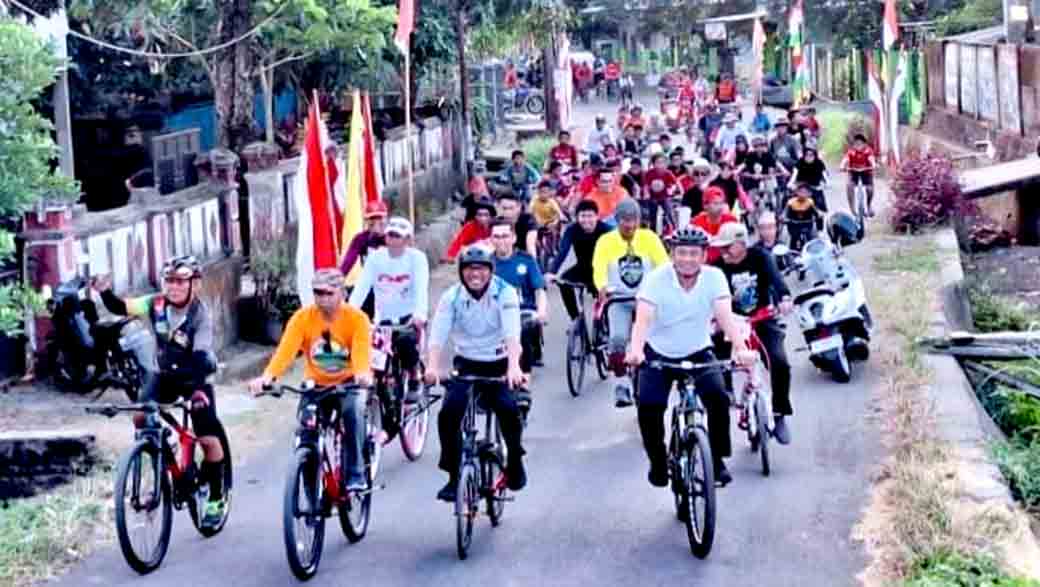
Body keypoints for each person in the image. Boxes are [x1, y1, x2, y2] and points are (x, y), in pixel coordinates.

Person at [97, 256, 226, 526]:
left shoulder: (200, 314)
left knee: (207, 436)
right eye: (169, 281)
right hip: (164, 375)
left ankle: (216, 498)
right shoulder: (155, 303)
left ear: (195, 284)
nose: (173, 287)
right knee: (140, 416)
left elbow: (202, 355)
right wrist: (104, 291)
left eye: (181, 281)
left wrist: (198, 391)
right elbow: (122, 307)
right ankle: (159, 447)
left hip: (196, 377)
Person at [627, 228, 754, 488]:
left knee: (718, 397)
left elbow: (724, 315)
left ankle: (716, 459)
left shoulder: (714, 277)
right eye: (681, 253)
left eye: (694, 253)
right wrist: (636, 350)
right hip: (658, 353)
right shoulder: (656, 279)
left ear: (704, 256)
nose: (687, 259)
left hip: (698, 350)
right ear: (672, 255)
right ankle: (658, 461)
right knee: (649, 406)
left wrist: (741, 348)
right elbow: (643, 318)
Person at [250, 268, 373, 491]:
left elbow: (361, 351)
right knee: (306, 429)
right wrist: (267, 377)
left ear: (342, 293)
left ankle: (355, 472)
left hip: (349, 383)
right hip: (315, 385)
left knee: (353, 413)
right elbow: (286, 351)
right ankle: (309, 484)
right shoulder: (302, 318)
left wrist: (362, 373)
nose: (323, 299)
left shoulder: (357, 319)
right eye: (318, 293)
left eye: (329, 293)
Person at [425, 247, 528, 501]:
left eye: (481, 269)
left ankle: (514, 461)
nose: (475, 274)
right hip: (467, 363)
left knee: (508, 409)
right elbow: (437, 334)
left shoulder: (505, 293)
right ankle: (452, 476)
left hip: (500, 362)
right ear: (461, 272)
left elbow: (512, 333)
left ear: (490, 271)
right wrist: (432, 366)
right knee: (449, 412)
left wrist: (514, 366)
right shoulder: (452, 297)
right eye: (469, 269)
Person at [710, 222, 794, 444]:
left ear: (741, 244)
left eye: (728, 247)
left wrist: (784, 298)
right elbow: (709, 295)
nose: (723, 252)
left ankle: (779, 413)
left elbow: (776, 280)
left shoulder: (760, 257)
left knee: (780, 362)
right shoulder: (716, 268)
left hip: (762, 318)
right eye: (721, 248)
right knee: (716, 358)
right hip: (730, 321)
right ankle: (726, 390)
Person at [347, 217, 428, 423]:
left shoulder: (416, 259)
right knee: (373, 359)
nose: (393, 240)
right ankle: (382, 399)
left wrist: (419, 314)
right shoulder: (376, 259)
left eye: (398, 237)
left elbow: (421, 289)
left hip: (408, 319)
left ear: (407, 239)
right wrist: (349, 313)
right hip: (382, 320)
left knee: (406, 341)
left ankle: (415, 377)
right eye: (390, 235)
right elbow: (362, 288)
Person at [591, 198, 669, 407]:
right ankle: (621, 383)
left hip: (647, 299)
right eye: (625, 220)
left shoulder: (650, 239)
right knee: (617, 339)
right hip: (620, 299)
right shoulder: (606, 241)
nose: (630, 225)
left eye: (633, 220)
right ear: (617, 220)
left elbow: (664, 266)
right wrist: (602, 287)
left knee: (655, 341)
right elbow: (599, 268)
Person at [489, 219, 548, 378]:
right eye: (497, 237)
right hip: (494, 312)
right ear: (491, 239)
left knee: (522, 333)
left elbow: (540, 289)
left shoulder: (526, 260)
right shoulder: (485, 264)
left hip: (522, 311)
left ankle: (524, 380)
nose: (501, 241)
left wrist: (541, 312)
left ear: (513, 238)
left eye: (505, 236)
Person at [546, 200, 612, 320]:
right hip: (582, 268)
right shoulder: (572, 229)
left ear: (597, 216)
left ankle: (607, 322)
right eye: (583, 216)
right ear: (577, 217)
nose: (586, 220)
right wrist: (552, 272)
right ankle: (575, 318)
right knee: (563, 282)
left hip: (602, 271)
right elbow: (562, 252)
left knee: (607, 301)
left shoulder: (607, 230)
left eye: (590, 216)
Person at [692, 187, 739, 263]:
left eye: (722, 203)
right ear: (705, 206)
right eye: (716, 203)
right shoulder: (696, 222)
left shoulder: (731, 220)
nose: (720, 207)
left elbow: (740, 240)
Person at [840, 133, 877, 216]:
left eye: (860, 144)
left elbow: (871, 159)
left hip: (866, 172)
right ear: (853, 145)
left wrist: (873, 165)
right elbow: (846, 159)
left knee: (869, 189)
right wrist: (842, 166)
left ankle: (869, 205)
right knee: (849, 186)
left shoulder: (868, 151)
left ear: (864, 144)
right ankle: (852, 209)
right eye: (856, 144)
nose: (858, 146)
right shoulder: (851, 152)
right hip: (853, 172)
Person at [783, 183, 825, 250]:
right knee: (792, 240)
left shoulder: (810, 202)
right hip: (794, 226)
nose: (802, 194)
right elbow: (785, 213)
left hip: (807, 225)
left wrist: (819, 215)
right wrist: (784, 218)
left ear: (809, 194)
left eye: (805, 192)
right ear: (796, 192)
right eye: (800, 191)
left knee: (812, 240)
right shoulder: (791, 202)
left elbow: (817, 212)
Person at [643, 153, 678, 233]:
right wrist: (646, 193)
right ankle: (653, 231)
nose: (660, 165)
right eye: (657, 162)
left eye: (662, 162)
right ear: (653, 164)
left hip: (664, 196)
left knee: (669, 212)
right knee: (652, 215)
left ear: (665, 163)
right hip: (653, 197)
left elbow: (675, 183)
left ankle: (675, 229)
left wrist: (672, 189)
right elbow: (646, 185)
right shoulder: (649, 173)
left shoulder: (668, 173)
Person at [497, 191, 539, 256]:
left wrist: (532, 263)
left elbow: (530, 245)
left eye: (511, 208)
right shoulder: (497, 222)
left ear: (519, 207)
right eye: (504, 208)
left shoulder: (528, 219)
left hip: (525, 256)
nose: (508, 212)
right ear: (499, 207)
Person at [788, 146, 829, 212]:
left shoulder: (819, 163)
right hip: (801, 185)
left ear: (815, 155)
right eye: (806, 155)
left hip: (815, 186)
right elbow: (794, 174)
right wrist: (791, 183)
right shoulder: (800, 162)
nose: (809, 157)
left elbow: (824, 175)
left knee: (820, 203)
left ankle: (819, 216)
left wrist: (827, 183)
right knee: (789, 198)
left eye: (811, 155)